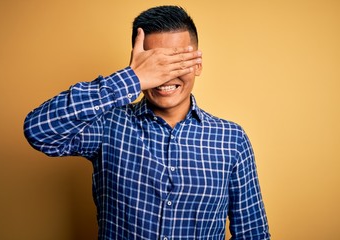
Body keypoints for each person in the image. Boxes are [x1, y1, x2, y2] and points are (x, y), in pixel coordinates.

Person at [24, 5, 270, 240]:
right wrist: (131, 78)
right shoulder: (108, 126)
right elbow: (38, 130)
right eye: (155, 63)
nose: (166, 74)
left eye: (176, 61)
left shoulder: (231, 140)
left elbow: (253, 233)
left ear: (197, 64)